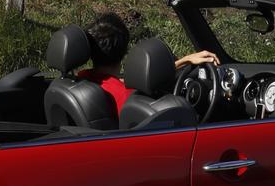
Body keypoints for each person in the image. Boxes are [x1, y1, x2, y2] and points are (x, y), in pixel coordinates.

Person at [78, 8, 218, 113]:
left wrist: (184, 61)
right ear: (125, 52)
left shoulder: (82, 79)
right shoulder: (126, 98)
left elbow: (144, 78)